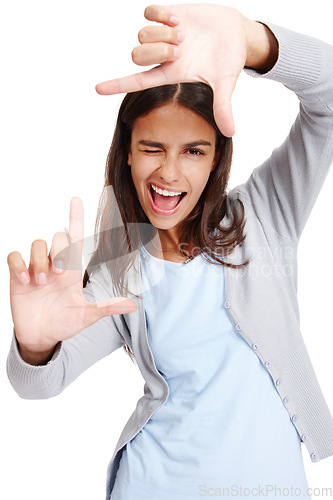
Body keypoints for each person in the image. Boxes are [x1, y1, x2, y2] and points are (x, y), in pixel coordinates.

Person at [6, 3, 333, 499]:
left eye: (194, 150)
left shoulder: (265, 215)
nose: (170, 173)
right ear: (127, 152)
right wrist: (34, 346)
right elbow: (38, 386)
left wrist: (251, 40)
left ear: (218, 156)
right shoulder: (116, 266)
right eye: (153, 148)